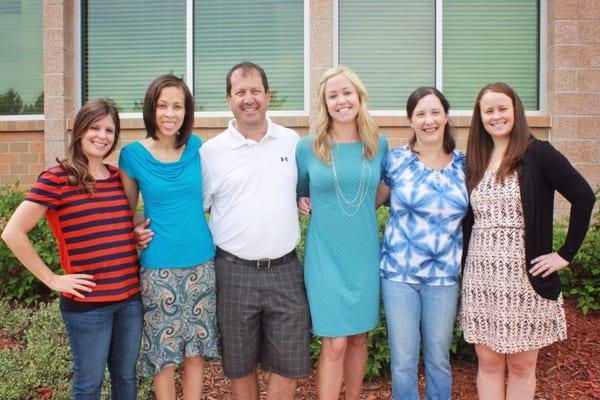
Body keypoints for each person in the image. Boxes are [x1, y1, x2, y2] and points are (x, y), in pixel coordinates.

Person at [459, 82, 596, 399]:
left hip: (525, 278)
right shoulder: (474, 160)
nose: (496, 116)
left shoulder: (539, 153)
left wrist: (564, 255)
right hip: (481, 277)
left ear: (515, 111)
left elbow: (583, 197)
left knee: (522, 366)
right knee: (489, 362)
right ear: (480, 118)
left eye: (502, 108)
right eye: (488, 111)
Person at [1, 99, 142, 399]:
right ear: (80, 130)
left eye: (109, 130)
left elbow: (115, 225)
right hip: (88, 306)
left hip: (130, 299)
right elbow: (13, 232)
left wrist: (137, 231)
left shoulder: (119, 177)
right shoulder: (57, 178)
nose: (102, 136)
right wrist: (52, 279)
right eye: (95, 127)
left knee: (127, 379)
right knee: (89, 385)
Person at [200, 62, 311, 400]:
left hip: (285, 269)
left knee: (290, 365)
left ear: (267, 95)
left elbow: (306, 187)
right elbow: (192, 210)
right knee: (240, 367)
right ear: (229, 98)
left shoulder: (292, 143)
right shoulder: (211, 152)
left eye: (255, 91)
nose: (249, 99)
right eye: (241, 92)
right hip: (234, 271)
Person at [119, 74, 218, 400]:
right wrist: (134, 231)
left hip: (201, 264)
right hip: (158, 268)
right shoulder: (132, 155)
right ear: (151, 108)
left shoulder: (196, 148)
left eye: (178, 106)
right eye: (163, 105)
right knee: (163, 353)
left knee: (194, 352)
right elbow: (127, 211)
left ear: (186, 112)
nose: (170, 113)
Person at [296, 65, 388, 400]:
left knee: (359, 337)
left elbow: (382, 192)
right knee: (334, 342)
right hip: (324, 258)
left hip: (363, 255)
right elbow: (299, 191)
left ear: (359, 97)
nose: (341, 100)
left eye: (347, 92)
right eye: (333, 95)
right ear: (325, 102)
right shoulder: (307, 148)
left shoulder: (378, 144)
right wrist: (300, 199)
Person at [375, 87, 468, 400]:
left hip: (443, 278)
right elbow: (367, 205)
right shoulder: (396, 161)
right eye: (421, 114)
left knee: (439, 359)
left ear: (445, 116)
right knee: (403, 361)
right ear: (410, 121)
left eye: (435, 112)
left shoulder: (464, 166)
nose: (429, 120)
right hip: (399, 275)